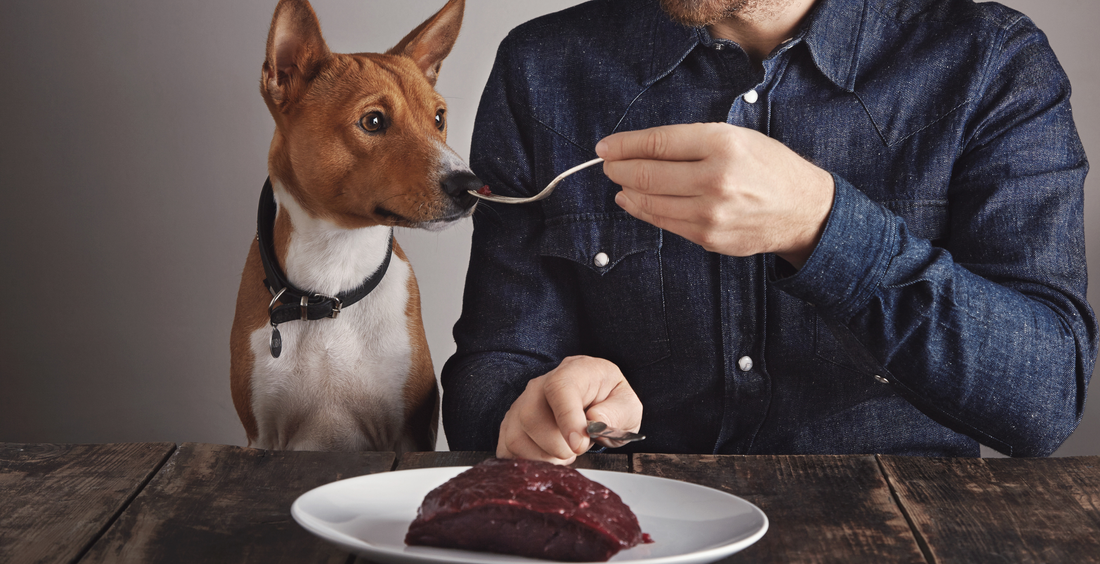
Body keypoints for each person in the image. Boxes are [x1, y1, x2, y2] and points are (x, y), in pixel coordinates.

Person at [440, 0, 1098, 463]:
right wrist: (528, 410)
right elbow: (490, 373)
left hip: (901, 542)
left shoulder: (992, 63)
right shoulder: (542, 67)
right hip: (633, 541)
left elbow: (1043, 401)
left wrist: (823, 226)